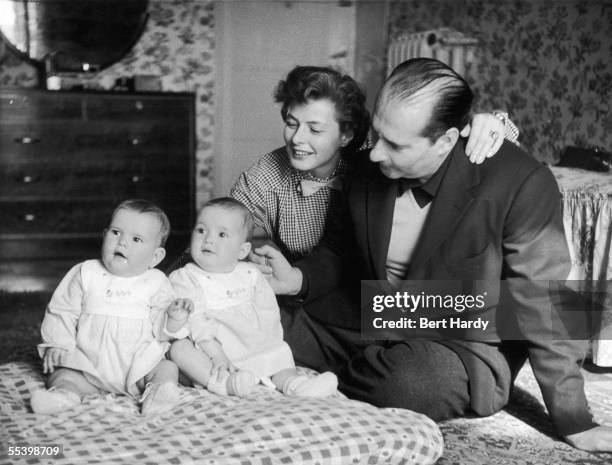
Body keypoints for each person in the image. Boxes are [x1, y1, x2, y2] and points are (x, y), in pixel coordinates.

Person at [253, 59, 612, 452]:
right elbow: (338, 250)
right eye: (377, 134)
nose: (374, 154)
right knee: (258, 323)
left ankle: (333, 377)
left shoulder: (522, 181)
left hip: (462, 339)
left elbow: (546, 298)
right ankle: (346, 372)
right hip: (376, 309)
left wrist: (575, 418)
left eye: (395, 145)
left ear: (446, 141)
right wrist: (298, 279)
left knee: (409, 383)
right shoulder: (368, 161)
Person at [168, 65, 517, 270]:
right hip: (317, 293)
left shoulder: (377, 156)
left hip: (392, 299)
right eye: (291, 123)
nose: (297, 139)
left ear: (347, 134)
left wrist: (492, 122)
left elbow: (430, 130)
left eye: (316, 129)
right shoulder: (266, 176)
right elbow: (213, 237)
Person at [167, 197, 338, 398]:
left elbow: (268, 311)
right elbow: (197, 322)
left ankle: (295, 384)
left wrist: (270, 341)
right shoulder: (185, 277)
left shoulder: (249, 274)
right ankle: (224, 383)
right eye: (201, 230)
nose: (209, 239)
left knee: (279, 352)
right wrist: (218, 357)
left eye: (222, 234)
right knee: (179, 350)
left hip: (250, 342)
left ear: (242, 251)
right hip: (210, 348)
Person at [31, 199, 181, 416]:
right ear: (104, 236)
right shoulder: (86, 272)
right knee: (62, 373)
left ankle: (157, 394)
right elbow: (62, 310)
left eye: (136, 239)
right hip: (88, 367)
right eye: (116, 232)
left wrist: (174, 318)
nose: (122, 243)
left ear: (155, 257)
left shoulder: (156, 282)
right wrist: (58, 343)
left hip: (138, 370)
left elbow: (161, 327)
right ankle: (64, 395)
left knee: (167, 368)